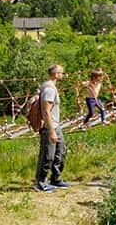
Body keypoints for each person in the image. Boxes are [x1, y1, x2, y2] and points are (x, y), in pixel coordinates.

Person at [34, 64, 70, 192]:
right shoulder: (49, 89)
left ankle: (56, 179)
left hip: (56, 125)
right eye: (62, 73)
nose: (63, 75)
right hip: (49, 126)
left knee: (60, 153)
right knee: (47, 155)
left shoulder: (52, 87)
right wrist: (51, 131)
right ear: (55, 74)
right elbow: (46, 111)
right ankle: (40, 183)